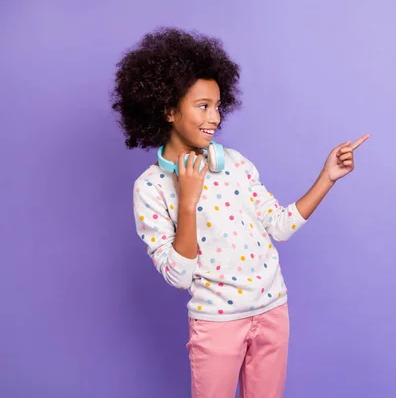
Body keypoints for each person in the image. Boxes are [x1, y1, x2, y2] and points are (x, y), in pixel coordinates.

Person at [111, 27, 369, 398]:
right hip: (216, 323)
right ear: (169, 109)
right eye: (203, 106)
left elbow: (279, 227)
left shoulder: (235, 164)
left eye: (217, 106)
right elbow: (179, 275)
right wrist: (187, 200)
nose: (215, 117)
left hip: (272, 311)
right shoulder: (149, 188)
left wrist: (327, 177)